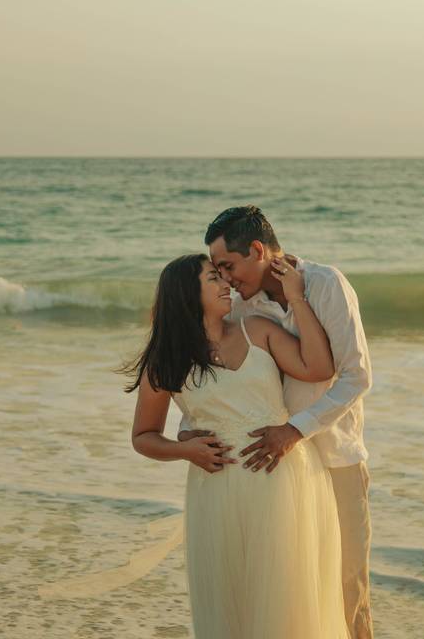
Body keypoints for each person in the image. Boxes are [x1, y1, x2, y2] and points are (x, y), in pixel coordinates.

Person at [124, 253, 349, 639]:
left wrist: (297, 298)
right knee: (232, 599)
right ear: (187, 295)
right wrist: (186, 450)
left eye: (222, 275)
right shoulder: (166, 362)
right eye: (213, 278)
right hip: (217, 491)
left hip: (283, 481)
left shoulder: (256, 329)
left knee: (287, 595)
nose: (225, 283)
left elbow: (319, 368)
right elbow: (143, 436)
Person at [179, 205, 374, 638]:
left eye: (228, 265)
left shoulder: (326, 285)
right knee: (283, 598)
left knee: (347, 588)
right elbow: (221, 377)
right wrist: (189, 431)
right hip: (277, 475)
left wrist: (294, 430)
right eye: (218, 271)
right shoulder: (239, 307)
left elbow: (357, 376)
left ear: (256, 250)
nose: (225, 278)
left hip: (334, 457)